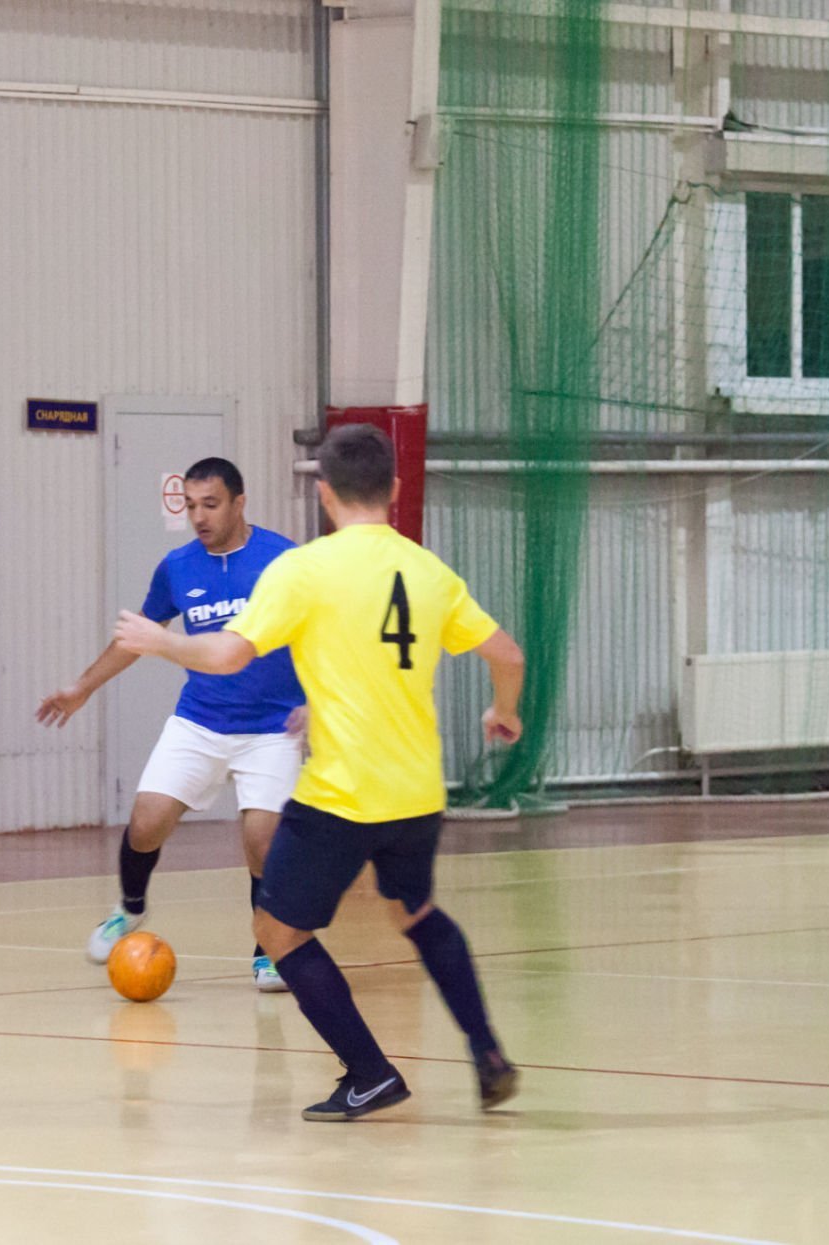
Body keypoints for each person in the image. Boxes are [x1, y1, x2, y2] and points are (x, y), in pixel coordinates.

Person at [115, 423, 526, 1120]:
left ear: (326, 495)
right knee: (417, 913)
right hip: (416, 792)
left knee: (278, 933)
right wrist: (503, 711)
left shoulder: (304, 569)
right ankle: (487, 1052)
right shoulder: (428, 570)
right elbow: (507, 655)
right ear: (395, 489)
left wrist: (161, 641)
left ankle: (370, 1073)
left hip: (342, 793)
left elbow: (229, 655)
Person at [39, 457, 305, 992]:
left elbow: (323, 632)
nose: (199, 517)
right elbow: (137, 637)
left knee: (263, 841)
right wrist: (83, 687)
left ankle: (268, 949)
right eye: (190, 506)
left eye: (211, 504)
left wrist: (322, 700)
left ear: (239, 503)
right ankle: (130, 907)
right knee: (146, 821)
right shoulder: (177, 567)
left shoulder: (284, 561)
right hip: (200, 721)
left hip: (272, 727)